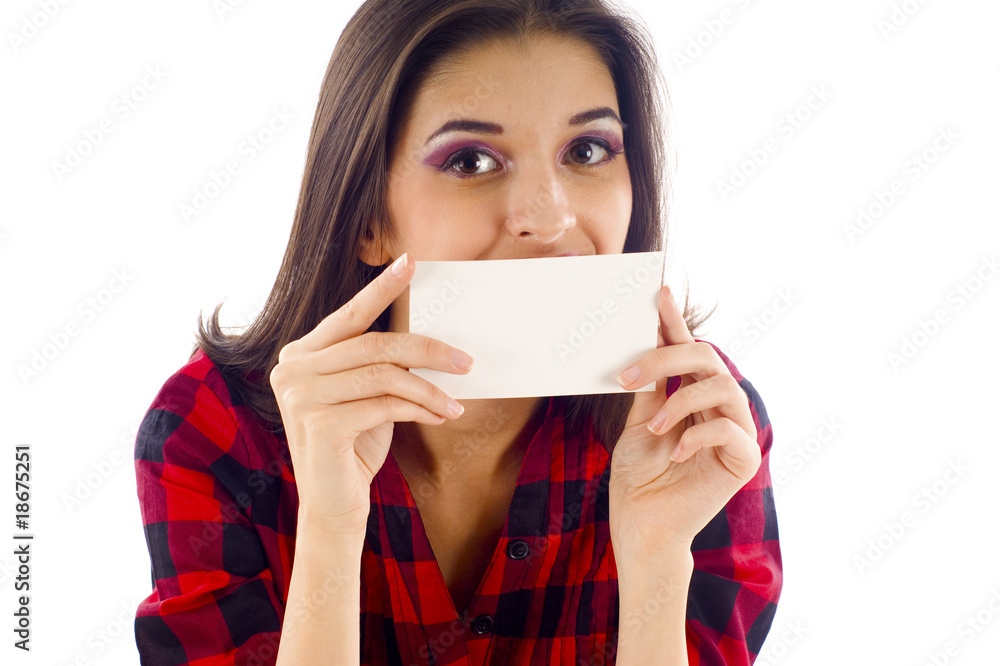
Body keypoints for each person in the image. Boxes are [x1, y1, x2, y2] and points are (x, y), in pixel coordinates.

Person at [133, 0, 782, 663]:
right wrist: (330, 525)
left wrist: (657, 558)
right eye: (471, 161)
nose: (549, 218)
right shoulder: (212, 430)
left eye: (587, 150)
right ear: (368, 219)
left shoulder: (698, 427)